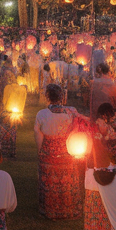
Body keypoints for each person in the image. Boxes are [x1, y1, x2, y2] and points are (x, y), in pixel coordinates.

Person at [35, 84, 81, 219]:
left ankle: (50, 210)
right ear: (62, 97)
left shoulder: (42, 114)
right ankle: (68, 209)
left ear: (47, 97)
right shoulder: (70, 113)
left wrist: (40, 151)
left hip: (48, 154)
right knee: (66, 183)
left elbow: (38, 134)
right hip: (67, 152)